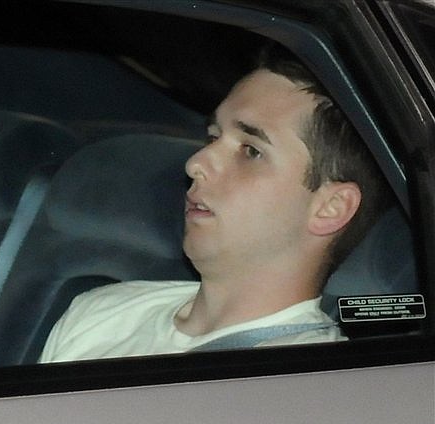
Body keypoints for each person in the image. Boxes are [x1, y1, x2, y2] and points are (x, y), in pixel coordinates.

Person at [39, 45, 390, 363]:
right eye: (213, 137)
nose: (196, 163)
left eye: (251, 151)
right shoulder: (101, 313)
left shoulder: (317, 387)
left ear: (330, 207)